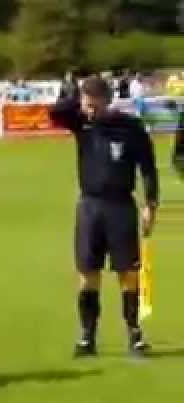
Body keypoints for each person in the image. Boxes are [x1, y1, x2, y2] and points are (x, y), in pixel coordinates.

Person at [50, 77, 158, 357]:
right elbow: (54, 112)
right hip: (90, 207)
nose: (89, 109)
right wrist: (78, 95)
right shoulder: (81, 123)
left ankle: (134, 334)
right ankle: (87, 337)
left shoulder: (130, 127)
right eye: (86, 104)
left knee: (128, 273)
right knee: (88, 273)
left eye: (93, 103)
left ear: (106, 100)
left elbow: (148, 167)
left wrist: (150, 204)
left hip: (121, 207)